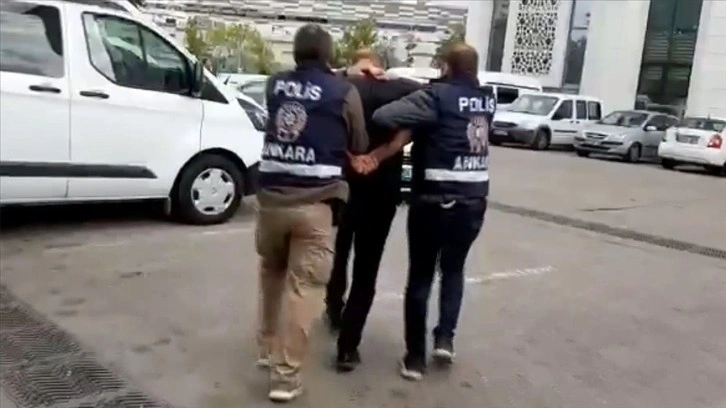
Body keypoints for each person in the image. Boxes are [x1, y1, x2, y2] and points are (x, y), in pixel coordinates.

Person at [255, 24, 375, 402]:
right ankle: (285, 378)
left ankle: (266, 348)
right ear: (328, 54)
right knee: (303, 288)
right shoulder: (343, 91)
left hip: (270, 201)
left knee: (272, 273)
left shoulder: (274, 84)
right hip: (315, 203)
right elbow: (359, 142)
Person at [371, 43, 495, 381]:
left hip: (434, 199)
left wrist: (418, 95)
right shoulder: (487, 100)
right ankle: (445, 340)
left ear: (445, 67)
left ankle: (415, 359)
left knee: (421, 277)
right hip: (473, 201)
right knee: (453, 270)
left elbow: (384, 116)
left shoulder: (434, 97)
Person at [322, 49, 422, 372]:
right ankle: (347, 347)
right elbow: (427, 96)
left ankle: (333, 307)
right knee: (367, 268)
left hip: (344, 184)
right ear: (381, 67)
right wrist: (387, 150)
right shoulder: (399, 90)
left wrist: (346, 72)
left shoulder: (340, 86)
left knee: (340, 249)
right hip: (382, 189)